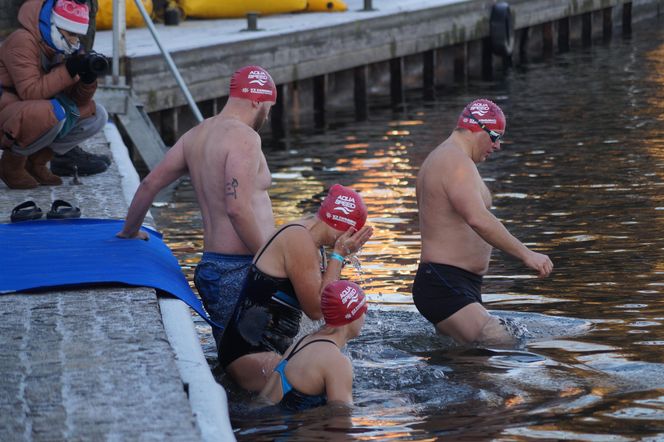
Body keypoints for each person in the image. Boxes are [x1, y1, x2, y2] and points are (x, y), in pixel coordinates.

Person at [117, 65, 278, 351]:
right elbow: (237, 209)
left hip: (211, 269)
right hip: (241, 271)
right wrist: (271, 263)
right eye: (268, 107)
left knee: (236, 361)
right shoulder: (245, 138)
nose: (268, 115)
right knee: (263, 366)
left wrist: (129, 232)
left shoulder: (196, 135)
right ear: (256, 100)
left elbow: (149, 185)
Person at [413, 98, 554, 345]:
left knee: (472, 370)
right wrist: (526, 254)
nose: (498, 146)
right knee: (503, 339)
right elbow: (477, 219)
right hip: (444, 282)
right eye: (495, 136)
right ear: (476, 129)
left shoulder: (445, 159)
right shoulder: (454, 162)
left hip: (454, 282)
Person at [219, 184, 373, 392]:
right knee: (327, 389)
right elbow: (318, 310)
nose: (352, 242)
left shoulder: (308, 239)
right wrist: (339, 254)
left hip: (258, 347)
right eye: (352, 234)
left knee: (334, 382)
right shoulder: (298, 240)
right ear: (345, 227)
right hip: (251, 353)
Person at [0, 0, 108, 189]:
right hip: (6, 111)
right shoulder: (22, 40)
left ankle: (36, 162)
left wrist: (87, 79)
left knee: (95, 115)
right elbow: (30, 92)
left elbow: (76, 101)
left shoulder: (58, 45)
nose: (75, 42)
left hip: (24, 112)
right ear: (54, 25)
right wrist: (69, 69)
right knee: (53, 112)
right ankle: (11, 165)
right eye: (71, 34)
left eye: (78, 36)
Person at [259, 279, 368, 411]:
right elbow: (341, 420)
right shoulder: (337, 362)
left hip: (258, 419)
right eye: (364, 310)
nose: (365, 316)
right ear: (352, 316)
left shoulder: (304, 342)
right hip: (281, 429)